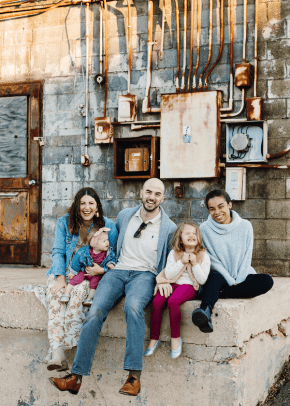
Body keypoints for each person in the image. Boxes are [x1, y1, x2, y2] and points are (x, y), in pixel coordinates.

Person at [49, 178, 177, 396]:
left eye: (157, 194)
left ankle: (133, 377)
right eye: (148, 192)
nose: (152, 197)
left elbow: (170, 258)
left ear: (162, 198)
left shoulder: (169, 227)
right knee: (95, 311)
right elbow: (108, 247)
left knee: (133, 308)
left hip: (145, 275)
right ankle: (75, 377)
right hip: (116, 272)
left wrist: (164, 280)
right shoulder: (125, 216)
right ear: (141, 192)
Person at [45, 187, 118, 371]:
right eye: (83, 203)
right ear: (76, 205)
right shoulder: (64, 222)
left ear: (97, 206)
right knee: (55, 296)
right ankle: (57, 352)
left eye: (91, 203)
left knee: (76, 297)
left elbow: (114, 256)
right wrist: (61, 278)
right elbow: (58, 251)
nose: (87, 207)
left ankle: (61, 347)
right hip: (64, 272)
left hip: (88, 276)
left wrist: (101, 271)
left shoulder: (108, 225)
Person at [191, 189, 274, 333]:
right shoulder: (204, 229)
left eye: (221, 206)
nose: (217, 212)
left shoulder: (245, 226)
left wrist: (239, 280)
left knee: (267, 281)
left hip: (242, 273)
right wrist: (230, 280)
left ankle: (222, 293)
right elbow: (213, 260)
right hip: (220, 274)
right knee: (213, 278)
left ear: (229, 205)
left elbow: (247, 256)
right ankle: (204, 311)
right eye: (212, 209)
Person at [144, 221, 210, 359]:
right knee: (157, 302)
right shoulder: (174, 253)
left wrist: (195, 263)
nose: (191, 235)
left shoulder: (203, 255)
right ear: (180, 238)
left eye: (194, 233)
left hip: (189, 286)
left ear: (199, 237)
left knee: (173, 302)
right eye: (187, 233)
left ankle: (175, 338)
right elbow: (168, 274)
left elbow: (202, 279)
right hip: (172, 283)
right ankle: (154, 338)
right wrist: (182, 261)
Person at [60, 227, 117, 307]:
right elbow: (77, 261)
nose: (107, 242)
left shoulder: (108, 253)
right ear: (94, 243)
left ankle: (90, 298)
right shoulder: (84, 251)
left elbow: (112, 258)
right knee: (76, 279)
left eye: (107, 240)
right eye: (104, 241)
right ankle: (66, 293)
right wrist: (73, 272)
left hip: (96, 273)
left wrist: (111, 264)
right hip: (85, 271)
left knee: (95, 283)